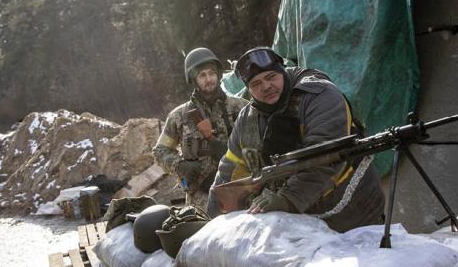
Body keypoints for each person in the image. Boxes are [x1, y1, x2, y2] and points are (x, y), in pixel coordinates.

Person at [207, 47, 385, 232]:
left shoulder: (320, 95)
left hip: (353, 212)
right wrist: (211, 219)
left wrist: (287, 198)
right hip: (299, 222)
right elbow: (230, 168)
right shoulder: (246, 119)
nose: (266, 86)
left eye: (270, 77)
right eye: (256, 83)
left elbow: (326, 157)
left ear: (282, 71)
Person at [153, 47, 248, 210]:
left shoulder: (241, 107)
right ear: (193, 79)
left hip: (241, 194)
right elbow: (160, 151)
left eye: (211, 73)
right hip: (200, 202)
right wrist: (180, 165)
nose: (208, 79)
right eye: (202, 75)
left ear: (218, 74)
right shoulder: (179, 116)